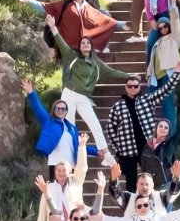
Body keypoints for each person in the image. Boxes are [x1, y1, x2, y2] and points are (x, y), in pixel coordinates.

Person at [49, 15, 134, 163]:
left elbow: (112, 73)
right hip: (69, 94)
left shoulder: (97, 63)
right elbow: (61, 42)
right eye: (83, 43)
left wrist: (129, 77)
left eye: (88, 43)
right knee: (69, 126)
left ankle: (106, 155)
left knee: (95, 125)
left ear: (91, 46)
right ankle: (69, 157)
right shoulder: (72, 56)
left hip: (83, 98)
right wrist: (53, 27)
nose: (85, 44)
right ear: (80, 46)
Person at [105, 65, 180, 190]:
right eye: (129, 86)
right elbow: (110, 128)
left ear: (139, 87)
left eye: (135, 86)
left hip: (146, 148)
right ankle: (131, 207)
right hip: (127, 150)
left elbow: (165, 90)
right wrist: (117, 147)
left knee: (149, 178)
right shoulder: (117, 106)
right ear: (126, 87)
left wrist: (176, 74)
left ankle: (150, 204)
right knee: (131, 181)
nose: (132, 88)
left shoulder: (147, 100)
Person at [24, 78, 110, 169]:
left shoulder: (71, 127)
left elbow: (78, 145)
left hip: (71, 165)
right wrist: (31, 92)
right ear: (54, 110)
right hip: (55, 165)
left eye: (63, 109)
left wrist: (96, 152)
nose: (60, 111)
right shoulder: (49, 121)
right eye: (58, 108)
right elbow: (38, 109)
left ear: (66, 111)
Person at [17, 0, 121, 55]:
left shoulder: (89, 9)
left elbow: (105, 21)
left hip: (85, 47)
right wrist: (29, 1)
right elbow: (45, 7)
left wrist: (122, 24)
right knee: (68, 72)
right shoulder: (64, 4)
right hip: (68, 47)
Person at [146, 12, 180, 134]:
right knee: (145, 102)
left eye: (165, 26)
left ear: (169, 26)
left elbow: (175, 22)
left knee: (167, 105)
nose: (163, 29)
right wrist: (148, 74)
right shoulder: (157, 42)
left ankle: (171, 137)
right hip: (155, 77)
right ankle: (147, 133)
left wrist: (173, 5)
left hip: (168, 75)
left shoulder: (174, 38)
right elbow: (153, 60)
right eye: (160, 28)